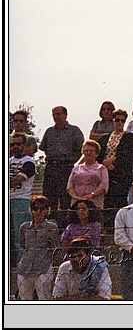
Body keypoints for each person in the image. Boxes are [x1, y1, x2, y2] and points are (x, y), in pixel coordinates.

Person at [39, 106, 85, 211]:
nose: (56, 117)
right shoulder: (49, 131)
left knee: (66, 198)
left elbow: (81, 150)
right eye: (54, 114)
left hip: (66, 168)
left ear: (65, 115)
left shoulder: (74, 131)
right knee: (49, 199)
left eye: (58, 114)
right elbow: (44, 148)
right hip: (51, 167)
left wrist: (72, 161)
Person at [98, 108, 133, 217]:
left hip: (121, 174)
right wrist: (104, 163)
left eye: (122, 120)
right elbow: (99, 154)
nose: (120, 123)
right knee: (107, 201)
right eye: (117, 120)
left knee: (120, 201)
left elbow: (131, 155)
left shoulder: (129, 137)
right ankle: (108, 226)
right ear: (113, 120)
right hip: (106, 173)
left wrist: (114, 162)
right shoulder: (105, 138)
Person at [17, 196, 60, 300]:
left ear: (47, 210)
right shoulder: (24, 227)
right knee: (24, 299)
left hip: (43, 268)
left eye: (42, 208)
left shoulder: (52, 227)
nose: (39, 211)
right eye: (35, 208)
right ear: (31, 210)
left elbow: (55, 247)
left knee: (44, 298)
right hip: (25, 267)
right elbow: (22, 244)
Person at [52, 236, 111, 300]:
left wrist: (71, 298)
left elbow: (104, 299)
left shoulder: (99, 267)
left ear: (88, 255)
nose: (76, 259)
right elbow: (58, 298)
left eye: (80, 256)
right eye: (73, 256)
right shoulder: (64, 268)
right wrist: (88, 297)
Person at [10, 132, 37, 266]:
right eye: (13, 144)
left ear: (24, 145)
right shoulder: (8, 161)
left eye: (18, 144)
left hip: (21, 199)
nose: (15, 147)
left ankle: (23, 265)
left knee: (20, 237)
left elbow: (18, 179)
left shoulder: (29, 161)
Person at [66, 140, 109, 209]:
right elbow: (69, 185)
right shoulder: (76, 168)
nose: (88, 153)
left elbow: (104, 186)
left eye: (91, 151)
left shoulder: (102, 168)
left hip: (94, 203)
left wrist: (91, 195)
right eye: (86, 151)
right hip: (77, 204)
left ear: (96, 154)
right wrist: (76, 197)